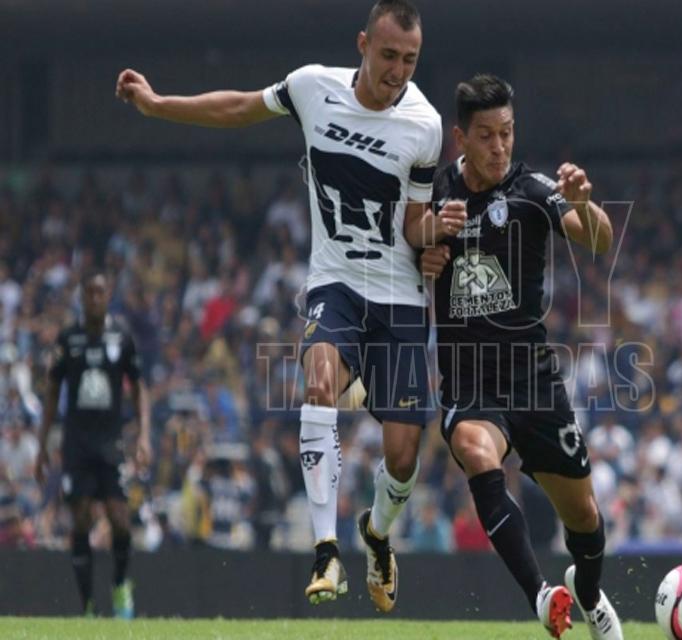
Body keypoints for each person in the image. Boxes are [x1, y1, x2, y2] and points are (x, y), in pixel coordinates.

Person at [115, 0, 465, 612]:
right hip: (335, 284)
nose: (398, 71)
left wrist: (436, 232)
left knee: (404, 457)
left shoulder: (425, 124)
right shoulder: (311, 88)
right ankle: (326, 548)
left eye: (410, 60)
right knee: (318, 381)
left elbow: (412, 222)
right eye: (388, 55)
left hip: (399, 297)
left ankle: (376, 532)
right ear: (362, 44)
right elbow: (239, 107)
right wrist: (159, 104)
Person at [418, 74, 622, 639]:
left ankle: (588, 594)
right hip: (470, 383)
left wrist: (584, 205)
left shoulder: (533, 191)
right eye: (486, 136)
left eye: (506, 133)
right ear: (461, 138)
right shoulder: (434, 193)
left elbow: (600, 239)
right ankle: (540, 594)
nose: (499, 146)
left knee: (584, 516)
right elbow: (401, 249)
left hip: (534, 382)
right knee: (475, 451)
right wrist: (422, 256)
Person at [34, 272, 152, 618]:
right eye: (90, 293)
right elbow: (52, 392)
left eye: (101, 292)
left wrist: (144, 435)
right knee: (81, 519)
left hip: (110, 443)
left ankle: (120, 585)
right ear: (82, 297)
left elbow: (138, 388)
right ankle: (87, 604)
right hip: (77, 444)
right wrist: (42, 445)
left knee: (120, 518)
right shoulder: (68, 338)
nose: (95, 298)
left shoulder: (122, 338)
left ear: (108, 295)